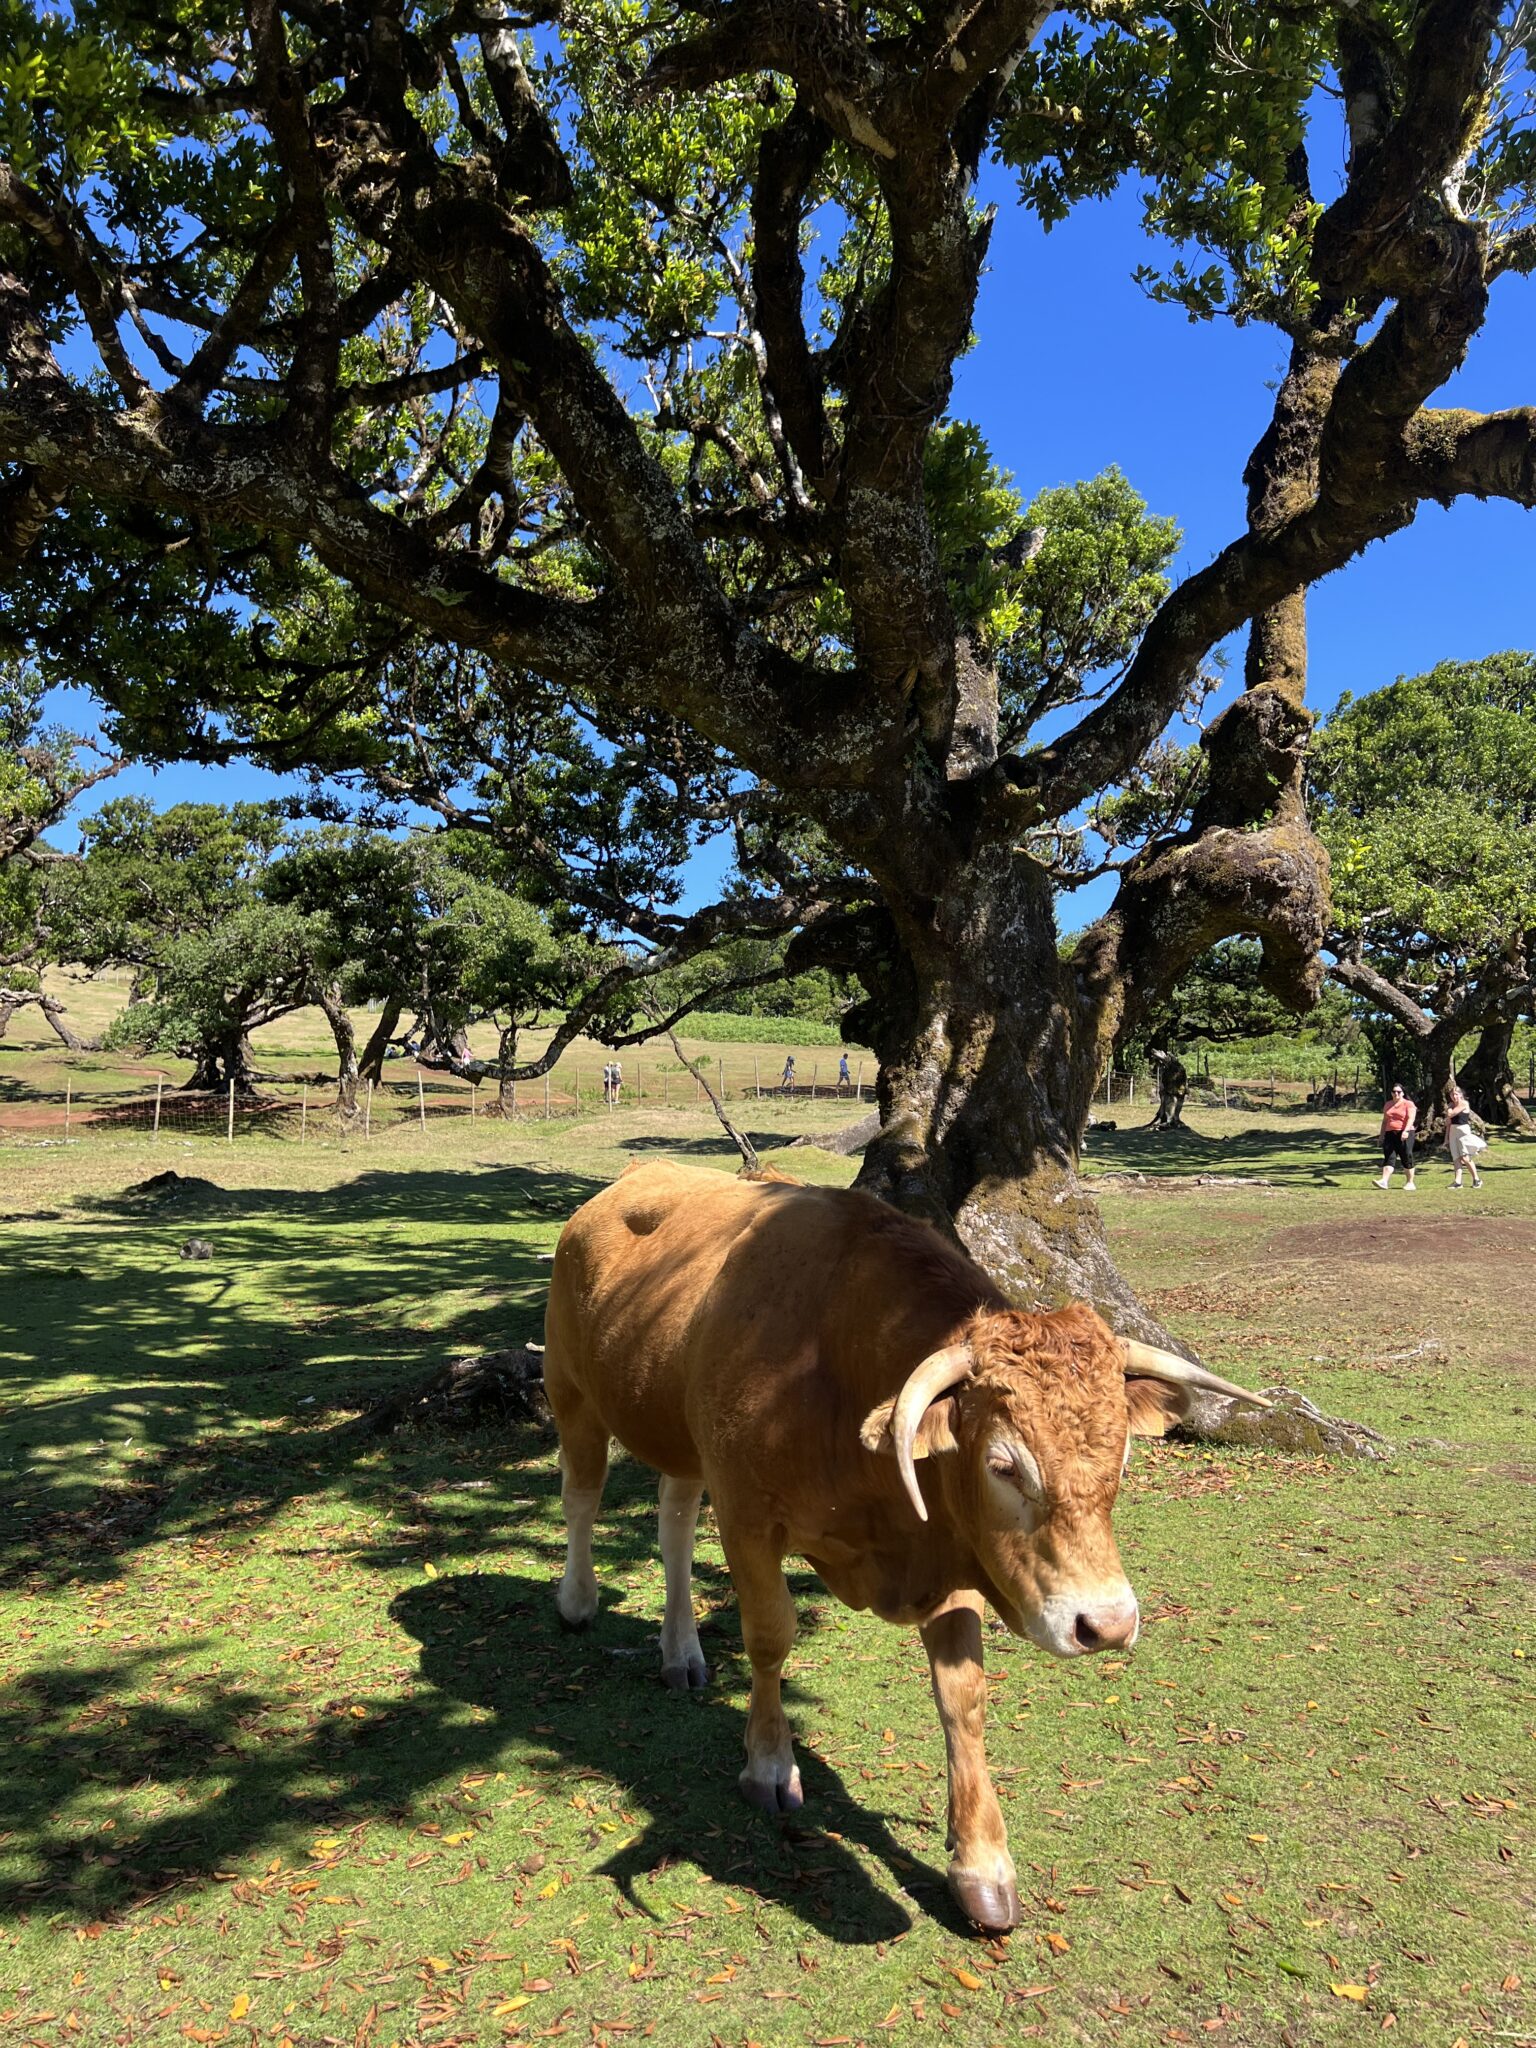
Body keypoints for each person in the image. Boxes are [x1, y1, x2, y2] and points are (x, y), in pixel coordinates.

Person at [1375, 1082, 1418, 1190]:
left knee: (1406, 1156)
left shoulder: (1409, 1104)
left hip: (1405, 1132)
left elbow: (1411, 1119)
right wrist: (1381, 1135)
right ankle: (1384, 1181)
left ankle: (1410, 1182)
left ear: (1403, 1093)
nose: (1396, 1094)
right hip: (1390, 1133)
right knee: (1389, 1156)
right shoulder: (1388, 1104)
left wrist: (1406, 1131)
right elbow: (1385, 1121)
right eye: (1394, 1092)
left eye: (1398, 1092)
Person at [1445, 1079, 1486, 1189]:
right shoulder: (1451, 1105)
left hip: (1463, 1131)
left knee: (1465, 1157)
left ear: (1461, 1095)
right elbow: (1448, 1123)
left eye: (1456, 1094)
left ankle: (1477, 1179)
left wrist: (1449, 1109)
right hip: (1453, 1131)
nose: (1454, 1097)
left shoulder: (1464, 1104)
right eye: (1452, 1095)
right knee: (1456, 1157)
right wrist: (1446, 1138)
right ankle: (1458, 1182)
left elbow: (1451, 1114)